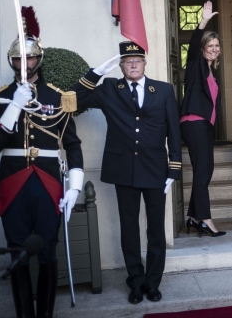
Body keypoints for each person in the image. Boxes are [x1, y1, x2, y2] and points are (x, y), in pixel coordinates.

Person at [0, 7, 83, 318]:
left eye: (29, 58)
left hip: (49, 184)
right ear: (12, 62)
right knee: (19, 255)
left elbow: (73, 146)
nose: (24, 64)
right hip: (13, 184)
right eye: (18, 59)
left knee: (48, 255)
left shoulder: (58, 97)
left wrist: (75, 189)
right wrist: (13, 106)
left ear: (38, 60)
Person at [72, 42, 181, 305]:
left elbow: (174, 131)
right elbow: (74, 99)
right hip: (124, 170)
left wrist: (173, 168)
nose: (133, 64)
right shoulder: (110, 89)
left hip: (156, 169)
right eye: (127, 61)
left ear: (145, 63)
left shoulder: (164, 90)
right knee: (129, 228)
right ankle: (136, 281)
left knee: (156, 229)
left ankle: (153, 283)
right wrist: (96, 72)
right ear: (121, 66)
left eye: (138, 60)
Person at [179, 1, 225, 237]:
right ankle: (205, 218)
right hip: (193, 122)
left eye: (217, 45)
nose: (214, 48)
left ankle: (194, 217)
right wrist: (203, 23)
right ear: (204, 47)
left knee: (205, 170)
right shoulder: (196, 64)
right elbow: (193, 44)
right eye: (210, 44)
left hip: (204, 125)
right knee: (202, 170)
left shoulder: (211, 71)